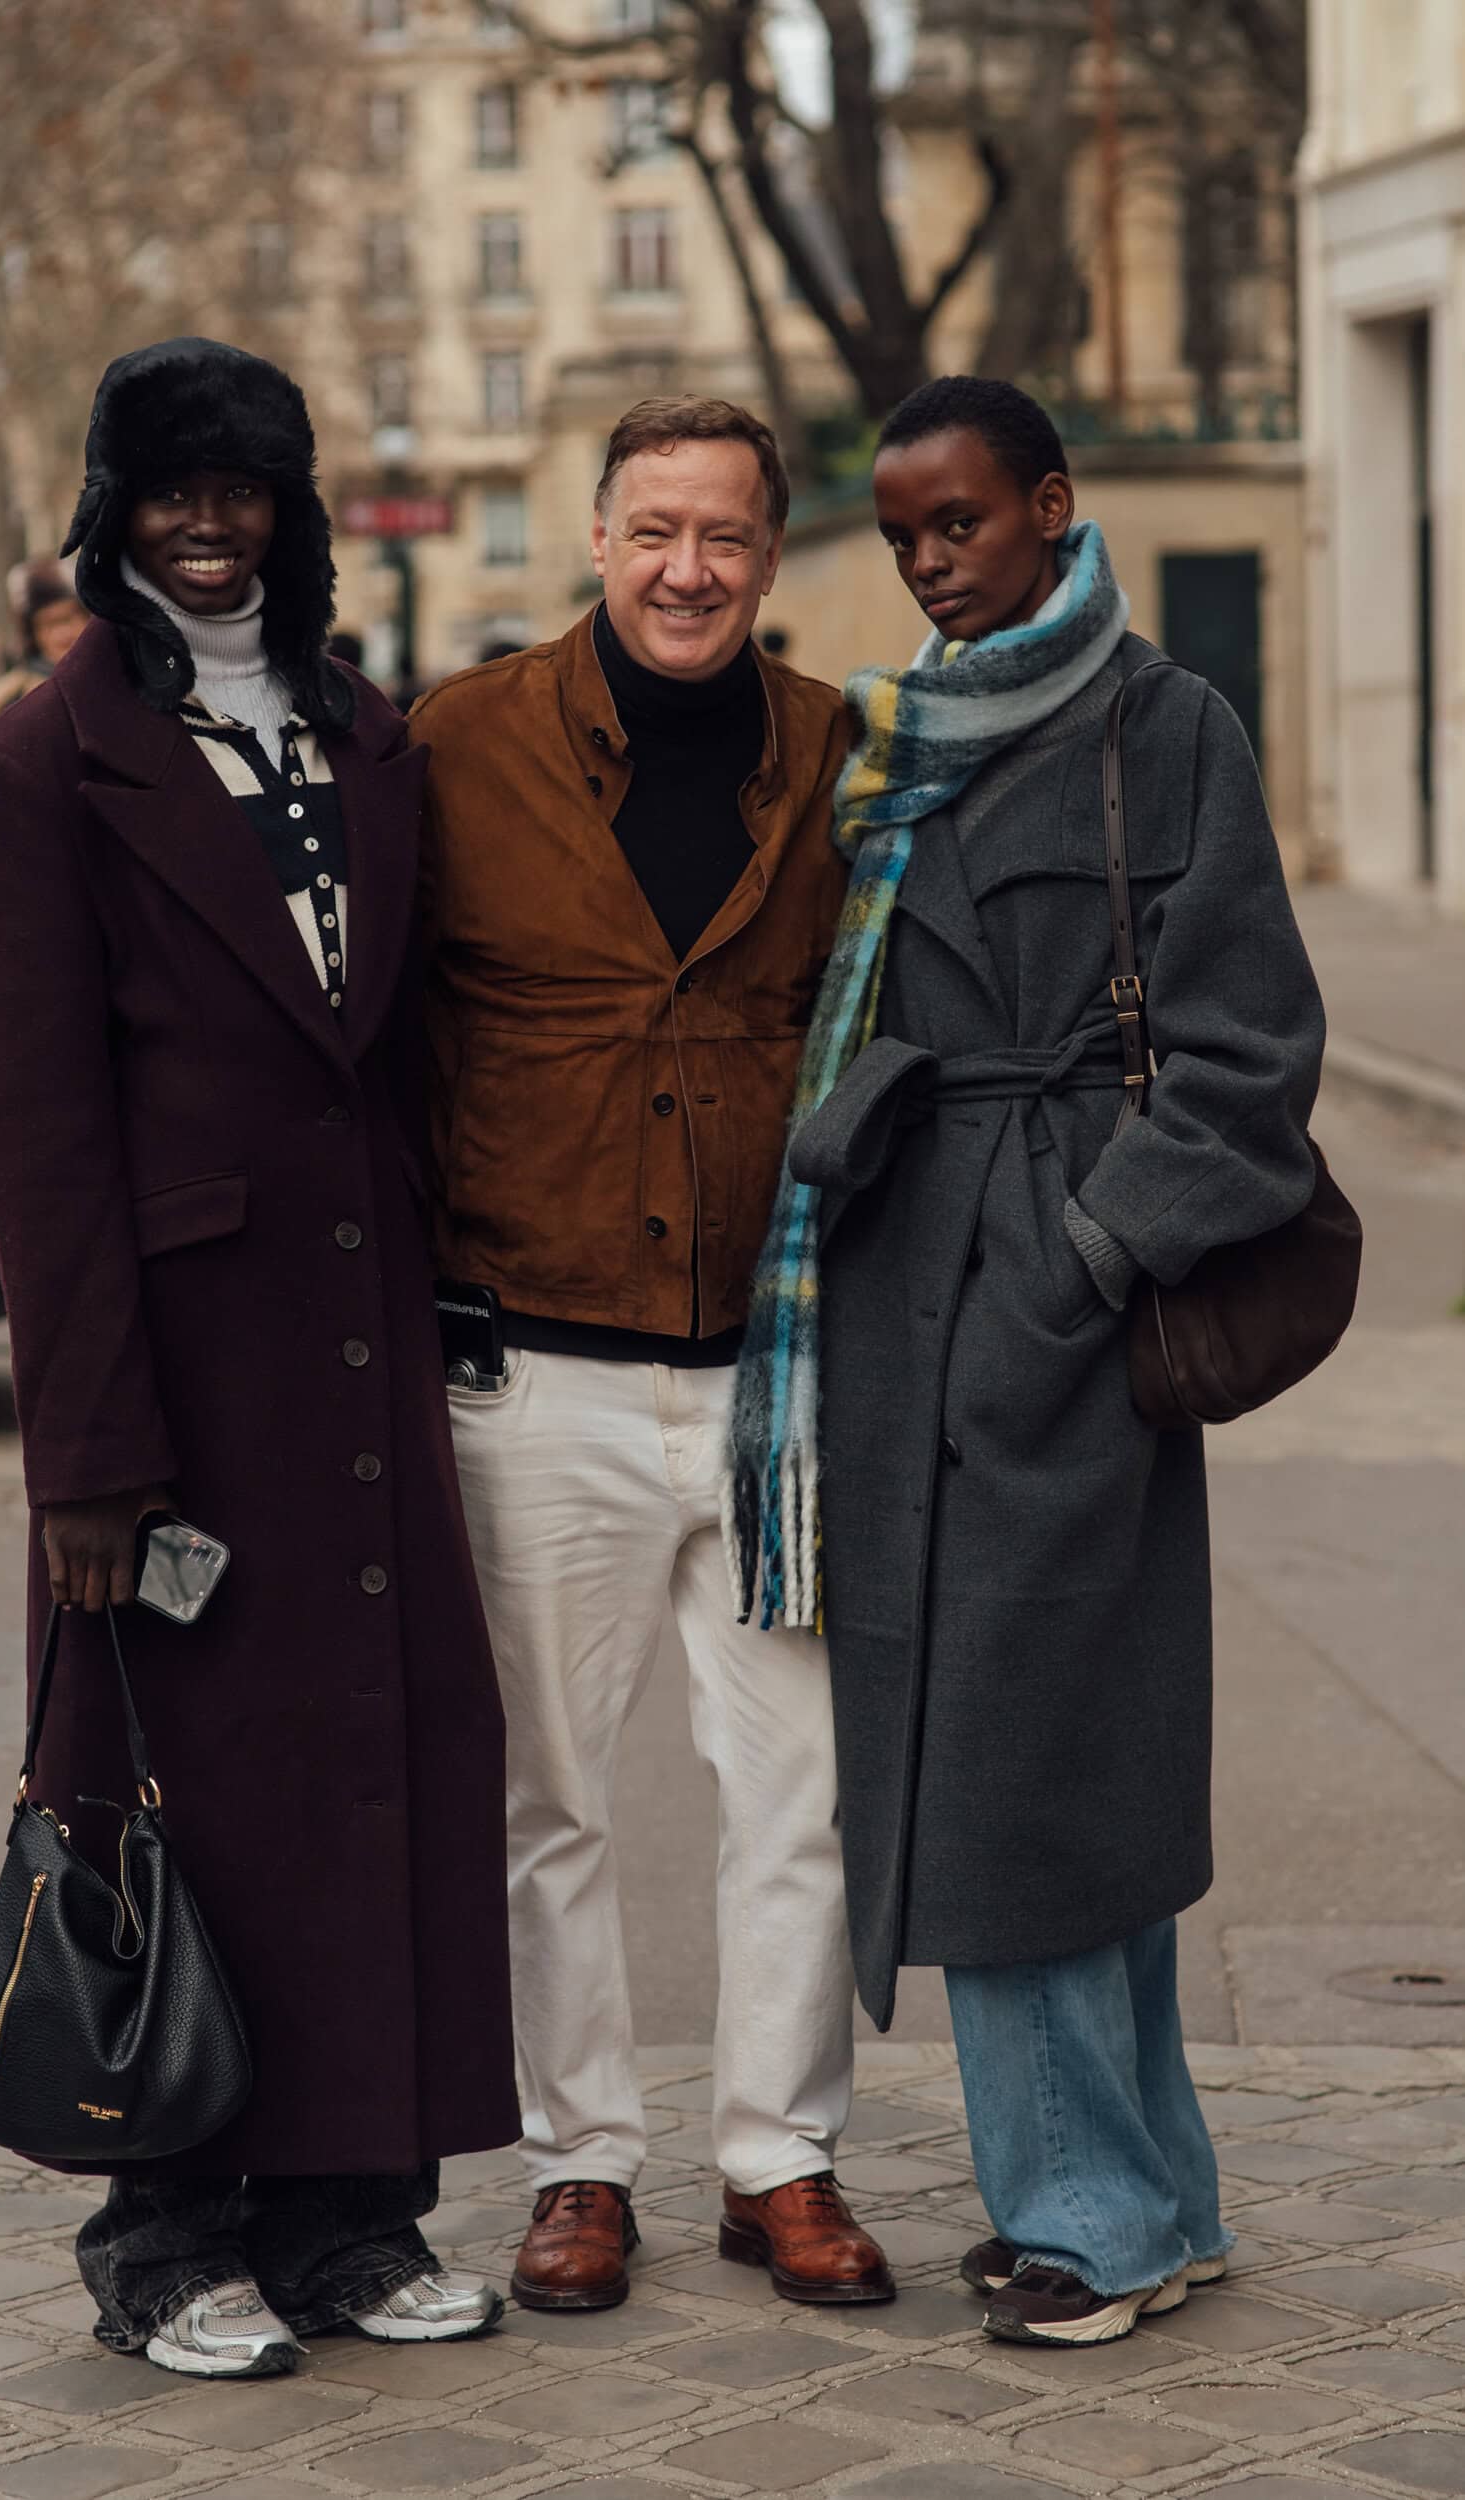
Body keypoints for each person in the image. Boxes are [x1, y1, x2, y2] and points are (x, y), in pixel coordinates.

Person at [0, 338, 518, 2378]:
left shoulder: (363, 735)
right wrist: (86, 1450)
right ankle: (166, 2228)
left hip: (356, 1357)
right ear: (111, 512)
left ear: (289, 509)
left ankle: (354, 2209)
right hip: (169, 1383)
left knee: (369, 1766)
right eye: (168, 486)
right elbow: (37, 1135)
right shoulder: (23, 773)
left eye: (243, 486)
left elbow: (404, 1050)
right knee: (170, 1791)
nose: (207, 517)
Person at [730, 376, 1326, 2347]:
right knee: (1029, 1767)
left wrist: (1076, 1256)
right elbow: (852, 996)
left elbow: (1246, 1057)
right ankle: (1143, 2191)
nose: (923, 560)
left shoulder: (1164, 730)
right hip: (909, 1301)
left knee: (1025, 1780)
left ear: (1050, 506)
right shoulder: (885, 740)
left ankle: (1087, 2216)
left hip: (1062, 1308)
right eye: (899, 533)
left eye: (956, 522)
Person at [410, 395, 893, 2314]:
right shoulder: (459, 746)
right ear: (593, 537)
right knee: (558, 1799)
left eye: (725, 537)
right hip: (536, 1372)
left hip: (773, 1384)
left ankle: (777, 2156)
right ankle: (580, 2162)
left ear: (769, 560)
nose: (686, 570)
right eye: (652, 532)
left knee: (800, 1787)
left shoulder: (840, 755)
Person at [0, 560, 89, 725]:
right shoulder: (10, 698)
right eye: (49, 624)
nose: (62, 634)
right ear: (33, 634)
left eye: (68, 619)